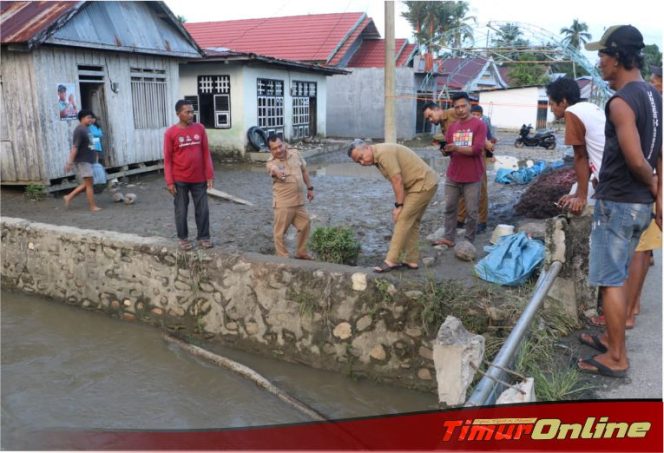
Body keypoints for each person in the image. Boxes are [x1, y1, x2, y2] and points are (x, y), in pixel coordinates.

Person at [576, 25, 662, 378]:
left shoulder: (622, 101)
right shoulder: (657, 97)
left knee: (610, 280)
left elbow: (637, 159)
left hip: (620, 203)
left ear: (618, 57)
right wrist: (658, 197)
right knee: (621, 273)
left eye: (602, 55)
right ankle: (612, 344)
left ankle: (617, 359)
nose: (599, 62)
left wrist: (655, 187)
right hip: (639, 204)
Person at [347, 139, 438, 273]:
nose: (362, 162)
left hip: (422, 184)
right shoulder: (377, 156)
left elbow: (397, 180)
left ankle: (391, 261)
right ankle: (411, 260)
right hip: (418, 184)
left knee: (402, 219)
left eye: (361, 157)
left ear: (367, 147)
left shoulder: (384, 153)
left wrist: (399, 206)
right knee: (412, 222)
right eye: (358, 162)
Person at [433, 92, 487, 249]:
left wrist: (456, 147)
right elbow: (449, 149)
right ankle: (448, 237)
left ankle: (469, 240)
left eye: (463, 106)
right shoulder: (452, 127)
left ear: (469, 105)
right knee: (450, 207)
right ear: (453, 109)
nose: (461, 110)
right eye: (457, 107)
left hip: (472, 175)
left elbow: (477, 150)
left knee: (472, 211)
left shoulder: (479, 125)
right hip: (453, 174)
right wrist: (445, 150)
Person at [546, 77, 606, 215]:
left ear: (563, 102)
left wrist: (581, 197)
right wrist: (578, 192)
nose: (551, 110)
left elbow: (581, 157)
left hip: (611, 181)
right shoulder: (590, 107)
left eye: (552, 104)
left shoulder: (572, 112)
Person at [163, 99, 215, 251]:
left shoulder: (200, 129)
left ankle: (204, 237)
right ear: (178, 114)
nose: (191, 114)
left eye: (192, 111)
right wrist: (169, 182)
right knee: (181, 210)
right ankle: (183, 238)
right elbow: (167, 159)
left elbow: (206, 153)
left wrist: (209, 174)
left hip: (199, 179)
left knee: (203, 209)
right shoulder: (170, 133)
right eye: (187, 112)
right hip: (180, 180)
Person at [266, 135, 315, 260]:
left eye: (280, 146)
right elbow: (272, 169)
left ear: (284, 144)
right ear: (270, 150)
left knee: (305, 224)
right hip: (284, 204)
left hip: (299, 201)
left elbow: (304, 171)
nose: (278, 150)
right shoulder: (271, 162)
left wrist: (310, 188)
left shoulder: (295, 153)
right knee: (280, 232)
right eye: (274, 148)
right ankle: (283, 257)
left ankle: (301, 252)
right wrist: (277, 171)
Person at [457, 104, 497, 233]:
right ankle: (460, 218)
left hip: (479, 159)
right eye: (473, 114)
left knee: (481, 189)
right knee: (463, 189)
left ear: (481, 116)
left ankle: (482, 221)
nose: (475, 117)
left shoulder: (483, 126)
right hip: (465, 159)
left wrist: (491, 155)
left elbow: (489, 143)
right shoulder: (463, 125)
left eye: (477, 115)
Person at [63, 109, 102, 212]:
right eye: (88, 117)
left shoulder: (87, 129)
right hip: (83, 161)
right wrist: (69, 162)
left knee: (88, 184)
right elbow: (75, 147)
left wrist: (95, 158)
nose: (90, 119)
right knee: (89, 185)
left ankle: (69, 197)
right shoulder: (79, 130)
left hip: (89, 160)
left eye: (91, 117)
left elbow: (91, 145)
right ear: (82, 118)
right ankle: (92, 206)